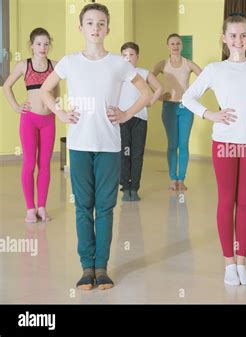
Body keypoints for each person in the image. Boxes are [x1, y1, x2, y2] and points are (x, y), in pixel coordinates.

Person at [41, 3, 152, 290]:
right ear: (81, 28)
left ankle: (101, 267)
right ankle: (85, 266)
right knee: (83, 207)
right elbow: (44, 89)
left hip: (109, 146)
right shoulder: (68, 62)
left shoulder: (119, 63)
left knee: (105, 208)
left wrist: (127, 114)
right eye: (90, 23)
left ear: (108, 29)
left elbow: (146, 91)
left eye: (101, 23)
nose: (95, 28)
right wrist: (60, 111)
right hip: (79, 145)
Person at [182, 15, 246, 286]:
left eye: (244, 35)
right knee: (226, 200)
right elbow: (187, 97)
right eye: (234, 35)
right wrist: (209, 114)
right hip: (224, 143)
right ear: (224, 39)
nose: (239, 40)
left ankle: (242, 262)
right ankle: (228, 263)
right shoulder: (214, 69)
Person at [2, 28, 58, 223]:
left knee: (45, 164)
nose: (43, 47)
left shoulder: (55, 66)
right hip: (29, 120)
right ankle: (29, 208)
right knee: (28, 163)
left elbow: (56, 91)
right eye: (39, 44)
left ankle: (42, 207)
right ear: (31, 46)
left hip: (48, 121)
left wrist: (57, 106)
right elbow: (6, 86)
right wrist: (17, 106)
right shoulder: (23, 65)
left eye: (46, 44)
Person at [152, 34, 202, 191]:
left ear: (182, 46)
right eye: (172, 43)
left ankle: (181, 179)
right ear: (168, 46)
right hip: (169, 107)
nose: (175, 46)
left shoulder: (188, 64)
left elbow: (205, 78)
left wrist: (193, 95)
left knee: (183, 143)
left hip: (185, 107)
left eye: (178, 43)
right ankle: (173, 179)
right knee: (172, 144)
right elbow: (147, 80)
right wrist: (159, 96)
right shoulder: (163, 64)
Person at [119, 42, 163, 201]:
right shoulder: (118, 74)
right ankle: (125, 187)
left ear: (137, 57)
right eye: (125, 55)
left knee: (137, 154)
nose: (128, 58)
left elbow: (159, 88)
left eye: (131, 55)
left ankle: (134, 188)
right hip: (122, 119)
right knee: (125, 153)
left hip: (140, 119)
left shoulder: (143, 73)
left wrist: (150, 102)